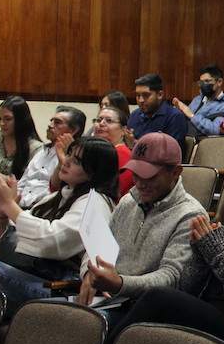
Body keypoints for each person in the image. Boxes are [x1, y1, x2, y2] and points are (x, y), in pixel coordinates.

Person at [105, 151, 224, 340]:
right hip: (202, 308)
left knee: (157, 297)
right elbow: (187, 285)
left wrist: (218, 253)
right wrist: (198, 253)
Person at [78, 133, 209, 319]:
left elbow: (171, 279)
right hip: (109, 301)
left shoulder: (190, 215)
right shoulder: (128, 202)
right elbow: (96, 246)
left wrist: (120, 284)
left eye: (150, 177)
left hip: (147, 313)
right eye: (135, 175)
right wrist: (89, 273)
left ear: (175, 172)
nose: (139, 184)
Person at [0, 137, 119, 316]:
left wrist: (9, 204)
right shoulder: (57, 197)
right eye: (69, 154)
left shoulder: (95, 203)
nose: (66, 161)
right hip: (31, 273)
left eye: (76, 161)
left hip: (57, 288)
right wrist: (2, 216)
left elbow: (51, 242)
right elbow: (10, 241)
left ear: (93, 173)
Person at [17, 106, 86, 208]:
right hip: (20, 204)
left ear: (73, 130)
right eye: (51, 121)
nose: (50, 125)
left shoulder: (75, 159)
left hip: (44, 208)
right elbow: (22, 183)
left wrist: (25, 203)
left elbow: (56, 192)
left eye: (57, 122)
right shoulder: (41, 152)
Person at [0, 96, 43, 181]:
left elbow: (33, 184)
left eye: (8, 119)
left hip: (15, 190)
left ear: (21, 120)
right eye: (0, 118)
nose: (2, 123)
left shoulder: (36, 149)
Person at [128, 73, 188, 155]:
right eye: (138, 95)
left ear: (160, 95)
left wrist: (136, 144)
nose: (141, 100)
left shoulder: (175, 117)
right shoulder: (134, 115)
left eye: (146, 95)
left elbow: (171, 153)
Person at [172, 65, 224, 138]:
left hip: (204, 141)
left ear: (219, 82)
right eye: (201, 82)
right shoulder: (197, 100)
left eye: (207, 81)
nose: (203, 85)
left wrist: (192, 115)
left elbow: (216, 129)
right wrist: (180, 113)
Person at [90, 106, 134, 196]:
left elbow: (111, 191)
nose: (101, 123)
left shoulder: (122, 154)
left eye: (109, 121)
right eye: (98, 120)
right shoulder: (97, 152)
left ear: (123, 130)